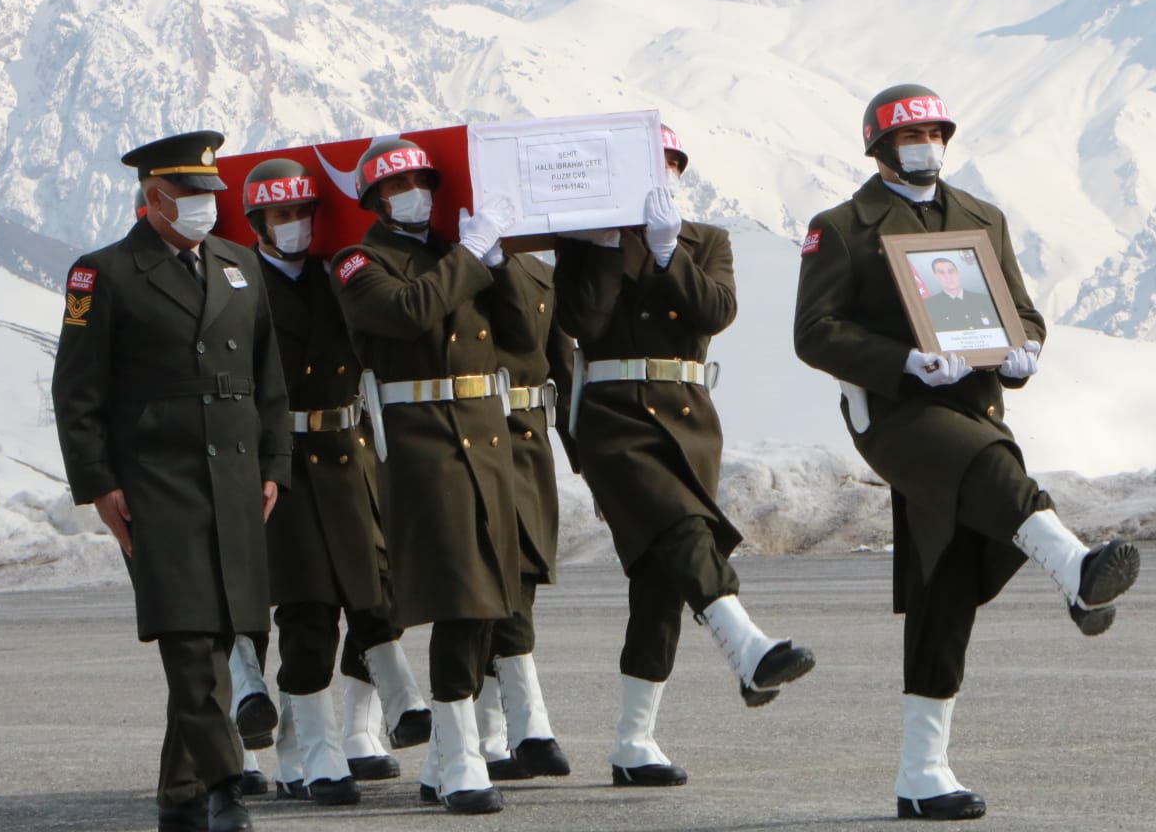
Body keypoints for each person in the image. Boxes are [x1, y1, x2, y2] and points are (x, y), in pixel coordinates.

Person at [793, 86, 1141, 821]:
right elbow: (815, 333)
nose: (927, 145)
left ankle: (923, 773)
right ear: (880, 148)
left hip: (974, 403)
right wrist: (903, 361)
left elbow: (1023, 310)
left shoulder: (982, 219)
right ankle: (1076, 569)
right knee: (994, 470)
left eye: (935, 133)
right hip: (898, 413)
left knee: (943, 579)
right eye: (911, 136)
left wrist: (1025, 351)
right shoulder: (842, 227)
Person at [554, 124, 814, 789]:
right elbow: (581, 323)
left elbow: (717, 310)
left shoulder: (706, 241)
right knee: (681, 527)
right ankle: (748, 646)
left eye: (668, 165)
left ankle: (633, 743)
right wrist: (610, 244)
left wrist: (669, 253)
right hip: (612, 414)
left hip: (689, 416)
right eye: (647, 166)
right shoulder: (585, 242)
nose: (659, 176)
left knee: (659, 583)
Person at [51, 130, 292, 832]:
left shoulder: (240, 265)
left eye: (211, 194)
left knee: (224, 640)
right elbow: (78, 391)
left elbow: (267, 380)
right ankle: (224, 786)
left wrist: (273, 465)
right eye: (190, 196)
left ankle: (180, 799)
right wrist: (98, 483)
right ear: (153, 198)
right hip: (157, 482)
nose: (205, 207)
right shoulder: (103, 274)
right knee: (188, 641)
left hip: (238, 480)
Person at [329, 137, 538, 815]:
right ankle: (463, 757)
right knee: (460, 597)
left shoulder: (457, 252)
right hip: (422, 441)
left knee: (493, 600)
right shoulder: (360, 260)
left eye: (420, 180)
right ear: (375, 200)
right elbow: (407, 311)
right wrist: (470, 258)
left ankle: (450, 756)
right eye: (397, 186)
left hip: (485, 436)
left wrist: (500, 262)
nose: (413, 192)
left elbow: (524, 337)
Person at [223, 158, 430, 806]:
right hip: (279, 465)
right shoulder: (237, 286)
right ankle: (315, 753)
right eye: (282, 216)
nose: (296, 226)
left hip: (347, 453)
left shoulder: (339, 276)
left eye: (303, 213)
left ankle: (371, 718)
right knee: (309, 613)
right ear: (257, 222)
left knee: (375, 594)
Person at [465, 250, 574, 786]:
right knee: (491, 589)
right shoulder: (451, 266)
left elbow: (555, 357)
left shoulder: (537, 272)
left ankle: (490, 739)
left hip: (529, 441)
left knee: (518, 584)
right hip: (471, 438)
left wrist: (591, 461)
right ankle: (529, 729)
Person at [921, 257, 1001, 336]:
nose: (948, 277)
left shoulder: (984, 300)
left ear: (958, 273)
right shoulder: (928, 306)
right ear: (936, 277)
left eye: (951, 271)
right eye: (941, 273)